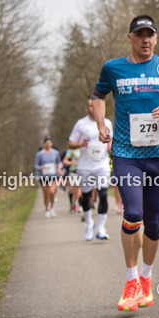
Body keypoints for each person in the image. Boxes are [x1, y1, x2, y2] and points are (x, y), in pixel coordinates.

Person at [92, 15, 159, 312]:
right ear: (130, 38)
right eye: (139, 35)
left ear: (156, 38)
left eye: (150, 35)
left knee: (153, 222)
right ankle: (130, 281)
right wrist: (102, 124)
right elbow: (97, 96)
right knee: (133, 214)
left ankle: (146, 278)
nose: (145, 40)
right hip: (125, 154)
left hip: (158, 156)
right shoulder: (113, 68)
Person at [69, 100, 114, 241]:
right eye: (90, 106)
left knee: (103, 193)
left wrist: (111, 150)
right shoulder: (81, 124)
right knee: (87, 196)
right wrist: (79, 144)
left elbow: (111, 141)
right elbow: (70, 143)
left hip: (102, 164)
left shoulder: (107, 123)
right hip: (85, 166)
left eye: (95, 106)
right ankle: (89, 223)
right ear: (87, 108)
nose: (93, 108)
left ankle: (101, 228)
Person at [34, 137, 63, 218]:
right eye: (47, 143)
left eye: (49, 143)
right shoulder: (40, 154)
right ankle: (47, 209)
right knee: (46, 194)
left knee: (52, 192)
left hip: (53, 176)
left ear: (51, 144)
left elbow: (59, 162)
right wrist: (40, 168)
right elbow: (36, 165)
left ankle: (52, 208)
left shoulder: (55, 153)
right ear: (44, 144)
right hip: (43, 176)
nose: (48, 144)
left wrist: (59, 168)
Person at [62, 145, 81, 213]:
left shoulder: (87, 147)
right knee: (73, 189)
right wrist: (70, 163)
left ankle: (77, 203)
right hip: (74, 171)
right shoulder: (72, 149)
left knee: (80, 189)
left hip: (84, 171)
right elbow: (64, 161)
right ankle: (74, 202)